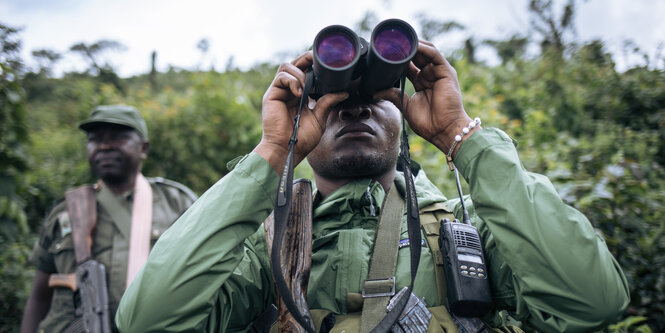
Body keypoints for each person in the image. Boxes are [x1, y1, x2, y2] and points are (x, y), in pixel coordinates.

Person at [115, 40, 630, 333]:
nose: (355, 107)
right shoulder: (263, 244)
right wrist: (272, 153)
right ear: (303, 122)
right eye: (335, 100)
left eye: (376, 96)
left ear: (404, 116)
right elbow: (148, 322)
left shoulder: (469, 225)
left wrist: (461, 137)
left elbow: (593, 299)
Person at [20, 105, 198, 333]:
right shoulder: (65, 212)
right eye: (95, 139)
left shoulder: (178, 203)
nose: (104, 146)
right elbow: (39, 297)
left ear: (143, 148)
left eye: (118, 138)